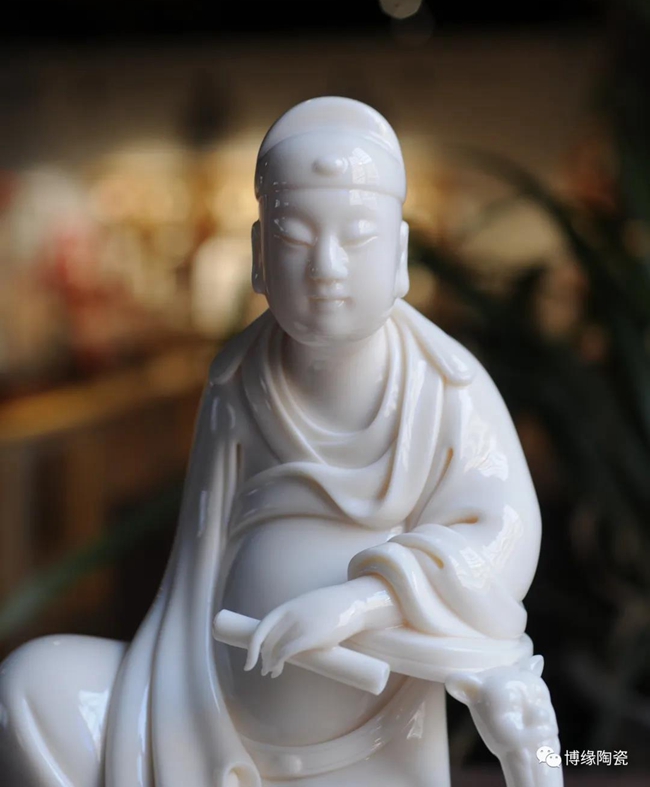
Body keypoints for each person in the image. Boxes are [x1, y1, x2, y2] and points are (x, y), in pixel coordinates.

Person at [0, 97, 542, 787]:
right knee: (29, 688)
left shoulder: (446, 386)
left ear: (400, 256)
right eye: (295, 238)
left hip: (371, 746)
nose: (326, 266)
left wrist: (359, 603)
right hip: (206, 715)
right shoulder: (234, 381)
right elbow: (193, 571)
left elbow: (503, 539)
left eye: (357, 236)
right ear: (260, 256)